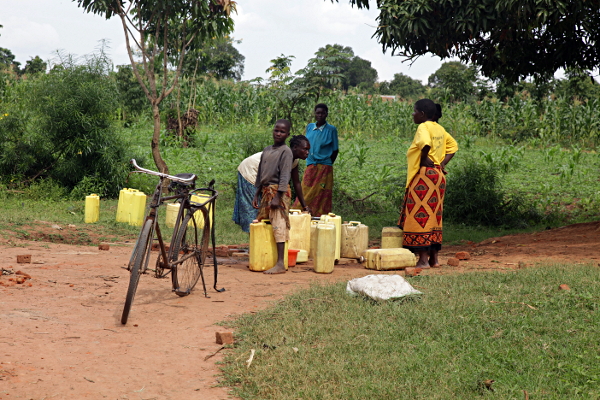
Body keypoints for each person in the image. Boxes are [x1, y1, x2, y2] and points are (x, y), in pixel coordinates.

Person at [398, 99, 458, 269]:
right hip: (438, 176)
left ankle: (423, 260)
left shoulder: (423, 127)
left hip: (424, 176)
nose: (413, 114)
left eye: (414, 111)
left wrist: (424, 159)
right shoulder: (440, 128)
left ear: (422, 114)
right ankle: (434, 259)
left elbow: (425, 143)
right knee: (434, 217)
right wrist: (442, 164)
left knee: (419, 215)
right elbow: (453, 147)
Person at [252, 120, 309, 274]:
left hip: (278, 192)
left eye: (282, 132)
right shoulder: (267, 150)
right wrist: (256, 193)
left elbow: (285, 177)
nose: (278, 134)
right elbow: (260, 173)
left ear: (287, 135)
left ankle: (280, 263)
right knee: (262, 221)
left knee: (279, 225)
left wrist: (278, 197)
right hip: (266, 191)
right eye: (276, 130)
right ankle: (265, 257)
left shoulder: (286, 152)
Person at [232, 136, 311, 232]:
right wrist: (257, 195)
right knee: (255, 210)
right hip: (251, 171)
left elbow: (296, 183)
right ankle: (255, 242)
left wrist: (305, 207)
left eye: (308, 150)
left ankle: (263, 241)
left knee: (267, 209)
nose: (307, 152)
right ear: (295, 147)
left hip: (263, 178)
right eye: (305, 149)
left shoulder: (294, 160)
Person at [293, 103, 338, 216]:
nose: (320, 115)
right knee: (305, 191)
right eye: (318, 113)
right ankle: (300, 213)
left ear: (326, 114)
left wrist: (327, 163)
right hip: (310, 165)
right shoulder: (309, 127)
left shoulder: (331, 130)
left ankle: (319, 218)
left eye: (323, 113)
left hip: (324, 167)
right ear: (315, 114)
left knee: (322, 195)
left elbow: (335, 150)